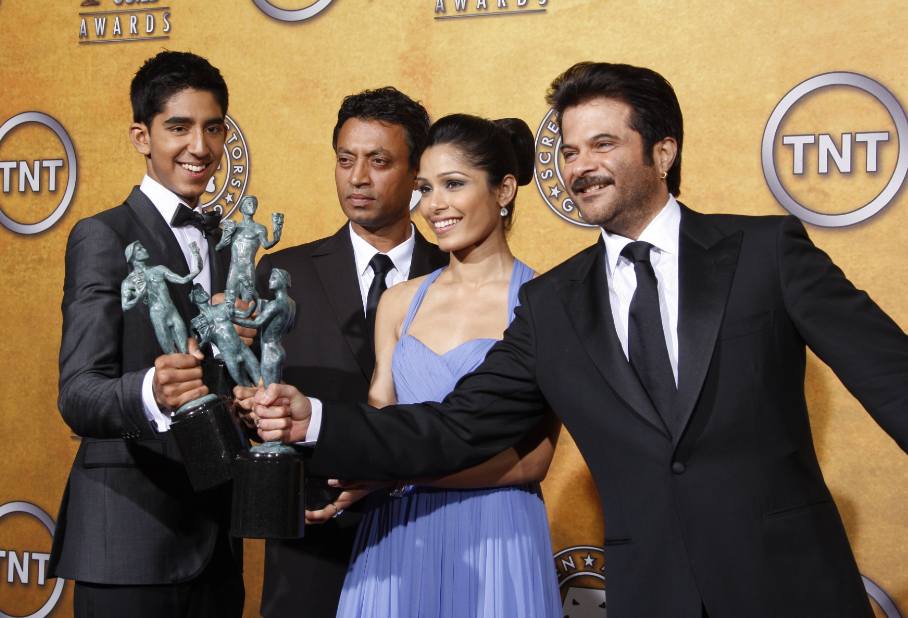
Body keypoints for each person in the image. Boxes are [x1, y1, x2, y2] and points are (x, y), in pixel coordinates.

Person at [253, 62, 908, 618]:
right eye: (568, 150)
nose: (581, 166)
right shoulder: (553, 304)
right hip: (654, 595)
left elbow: (891, 376)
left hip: (789, 587)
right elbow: (453, 426)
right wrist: (314, 419)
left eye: (603, 144)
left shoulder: (765, 253)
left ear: (663, 151)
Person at [328, 114, 563, 618]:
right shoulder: (398, 301)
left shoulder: (545, 302)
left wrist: (396, 476)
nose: (434, 205)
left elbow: (535, 460)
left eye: (453, 185)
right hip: (396, 535)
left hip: (496, 534)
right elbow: (379, 418)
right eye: (425, 187)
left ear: (504, 190)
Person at [47, 51, 249, 618]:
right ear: (142, 136)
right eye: (178, 127)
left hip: (217, 544)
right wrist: (150, 392)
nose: (200, 147)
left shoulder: (229, 246)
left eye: (213, 128)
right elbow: (79, 392)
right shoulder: (103, 236)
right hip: (130, 542)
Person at [242, 87, 448, 618]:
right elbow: (245, 403)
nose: (357, 177)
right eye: (345, 160)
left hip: (430, 534)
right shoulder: (281, 274)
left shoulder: (457, 277)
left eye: (379, 161)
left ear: (417, 171)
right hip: (312, 544)